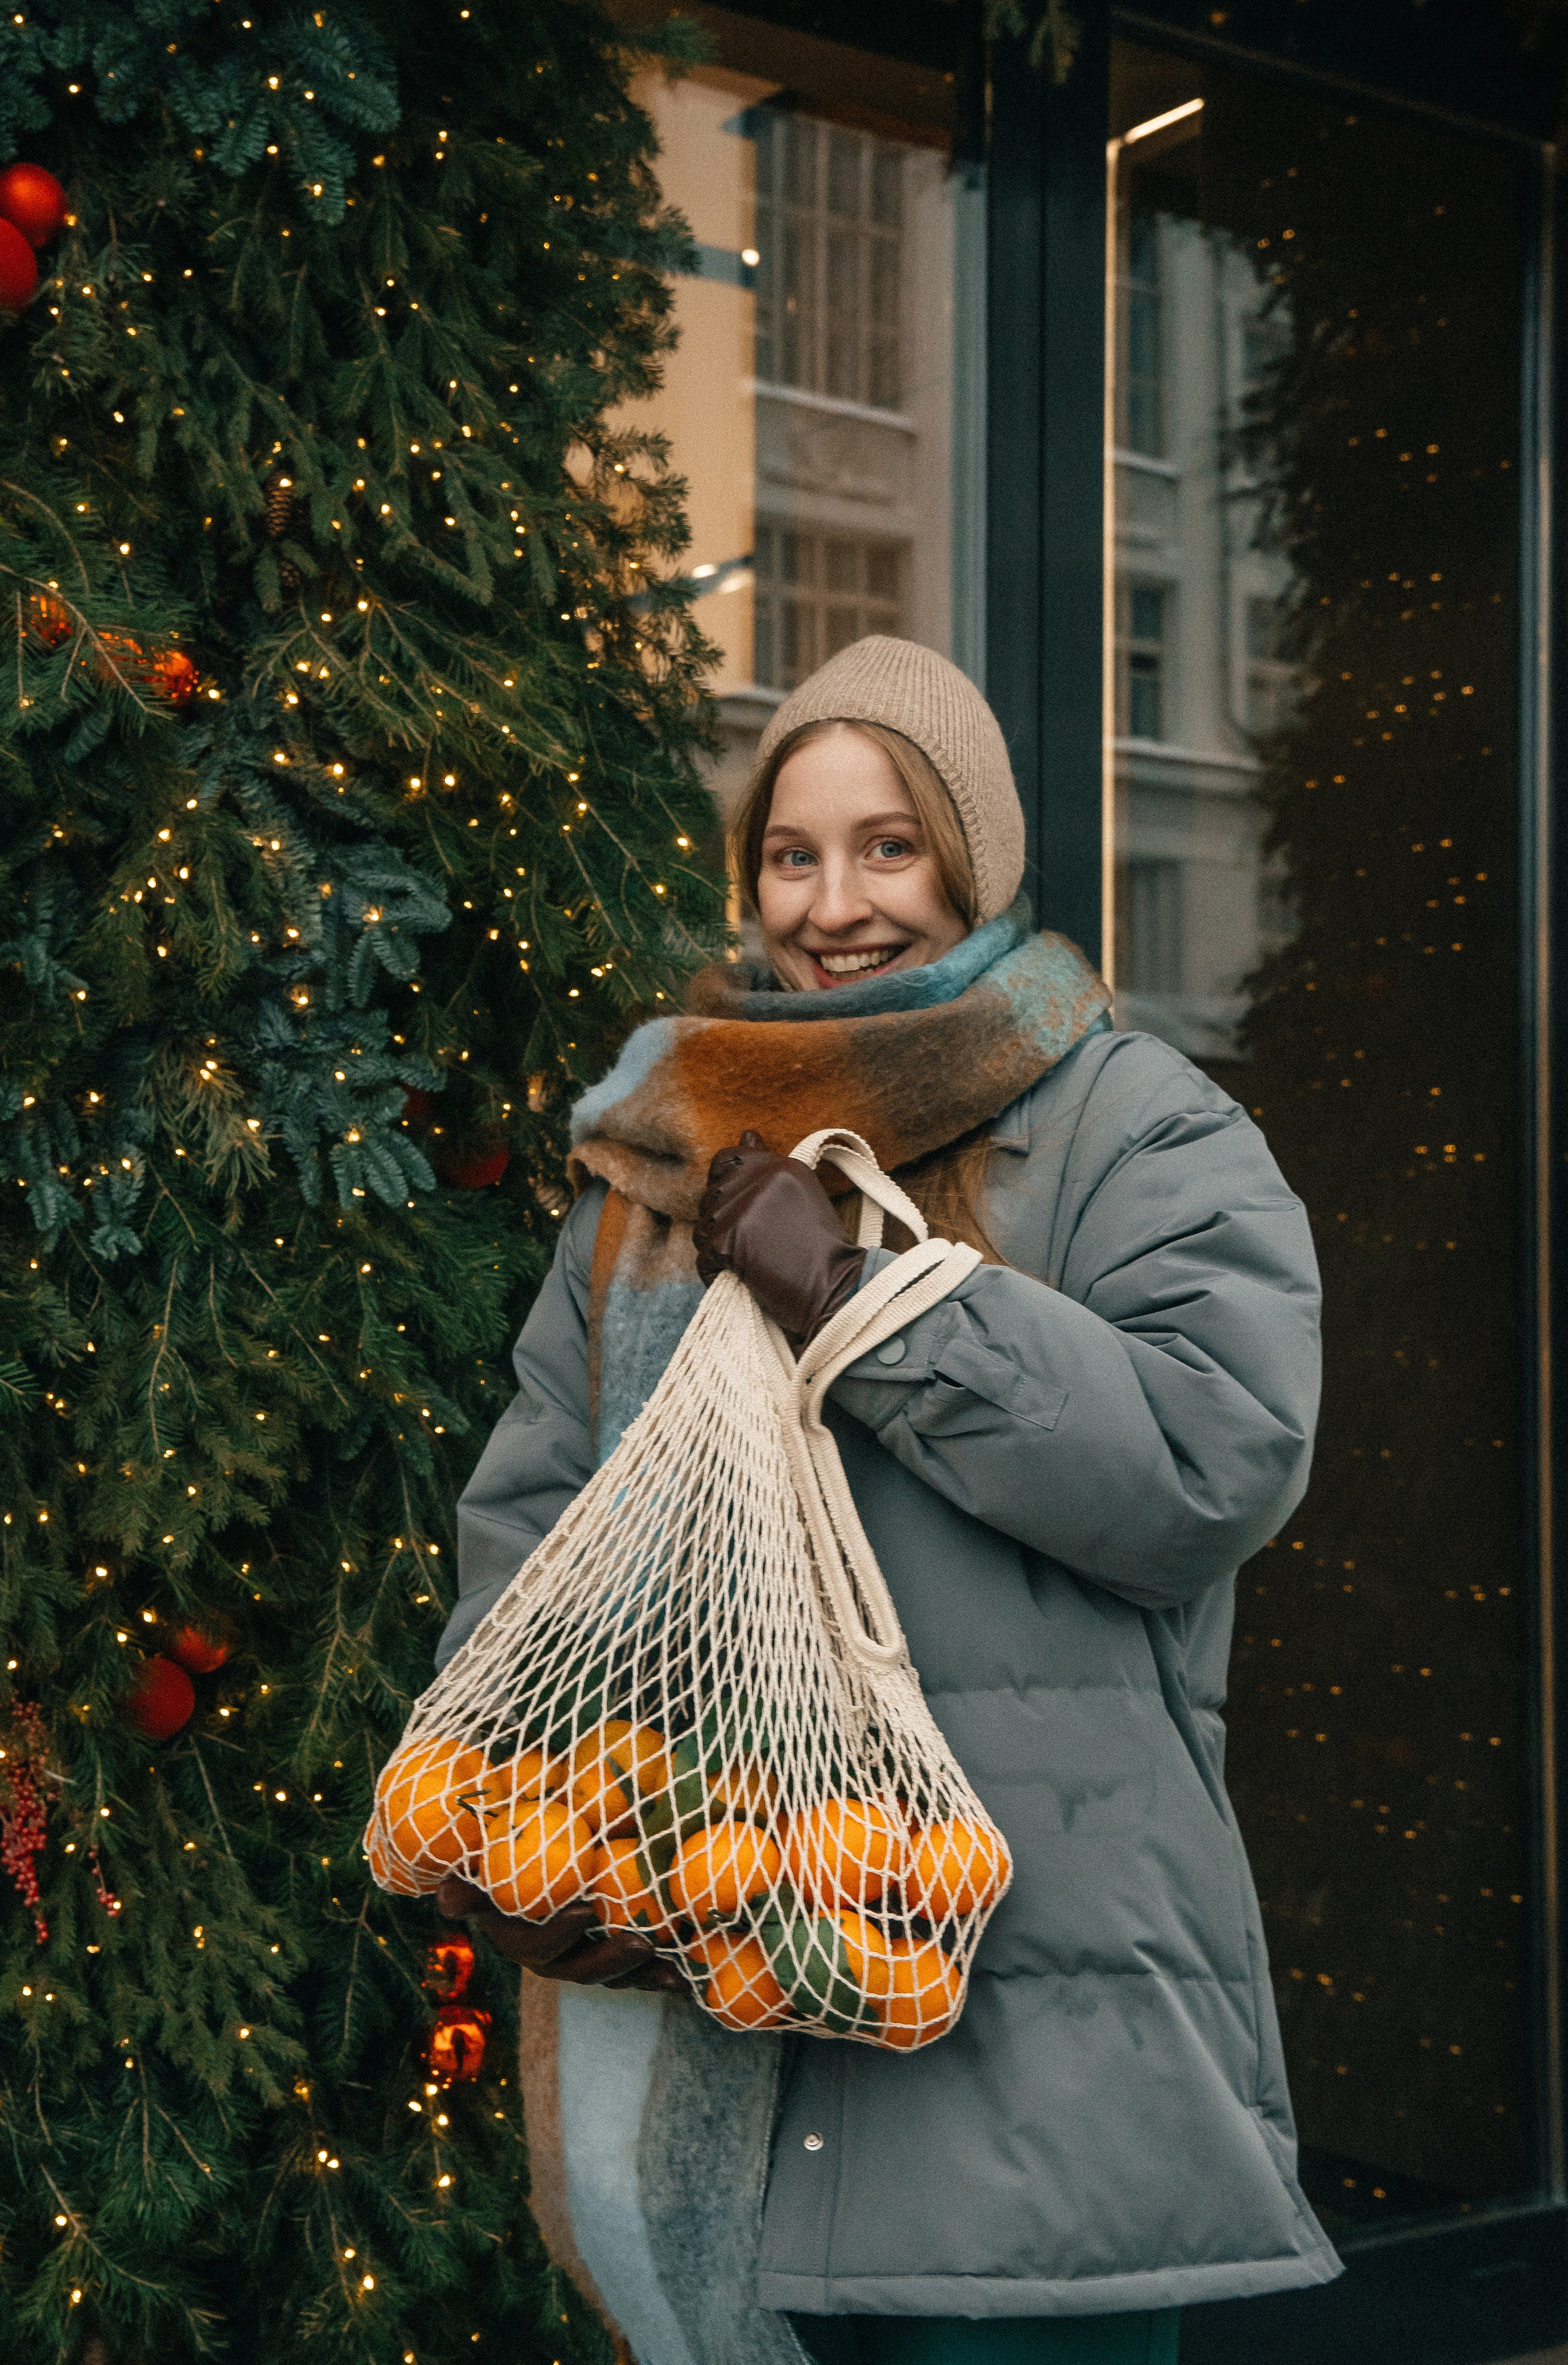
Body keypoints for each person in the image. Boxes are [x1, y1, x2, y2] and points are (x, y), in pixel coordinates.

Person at [434, 636, 1340, 2365]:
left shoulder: (1131, 1125)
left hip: (1025, 2056)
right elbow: (542, 1511)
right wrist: (514, 1798)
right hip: (712, 2008)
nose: (835, 904)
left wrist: (870, 1303)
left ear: (972, 860)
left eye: (889, 846)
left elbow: (1206, 1464)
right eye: (793, 853)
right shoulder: (664, 1157)